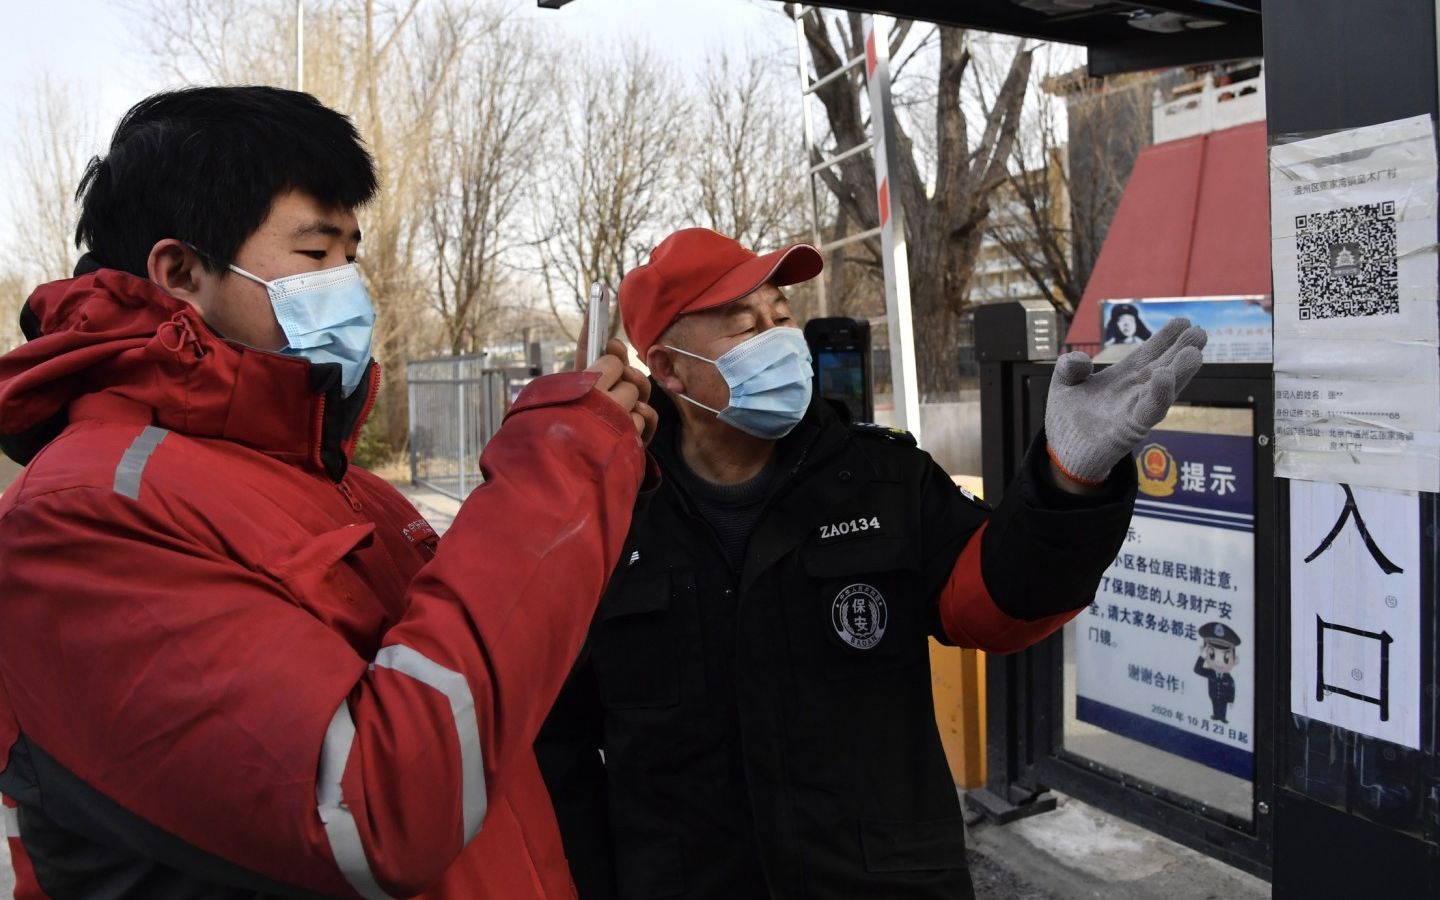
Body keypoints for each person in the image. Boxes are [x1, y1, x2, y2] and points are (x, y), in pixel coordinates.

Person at [0, 86, 658, 899]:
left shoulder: (337, 484)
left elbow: (479, 684)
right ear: (180, 272)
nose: (349, 286)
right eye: (315, 256)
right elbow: (373, 807)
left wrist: (596, 503)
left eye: (353, 255)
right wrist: (557, 474)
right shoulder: (87, 513)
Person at [536, 228, 1207, 899]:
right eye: (745, 327)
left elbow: (997, 604)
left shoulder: (881, 477)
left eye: (781, 316)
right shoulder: (608, 515)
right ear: (671, 368)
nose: (778, 340)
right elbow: (557, 750)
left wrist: (1068, 482)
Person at [1195, 622, 1242, 723]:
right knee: (1215, 705)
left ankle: (1223, 717)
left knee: (1222, 706)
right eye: (1212, 655)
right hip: (1213, 695)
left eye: (1226, 658)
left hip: (1224, 698)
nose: (1219, 662)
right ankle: (1216, 715)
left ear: (1235, 660)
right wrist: (1202, 656)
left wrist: (1231, 700)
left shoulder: (1228, 678)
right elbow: (1197, 670)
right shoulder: (1210, 673)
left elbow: (1231, 688)